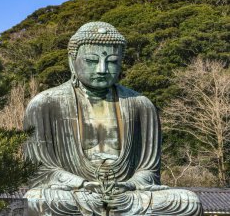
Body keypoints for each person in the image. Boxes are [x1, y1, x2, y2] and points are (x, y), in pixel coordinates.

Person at [23, 22, 203, 216]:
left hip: (128, 195)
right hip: (75, 194)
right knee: (38, 200)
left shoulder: (141, 105)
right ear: (71, 61)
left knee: (187, 201)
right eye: (92, 60)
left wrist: (128, 186)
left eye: (112, 61)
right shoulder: (45, 104)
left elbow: (149, 171)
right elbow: (39, 170)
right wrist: (82, 184)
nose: (102, 69)